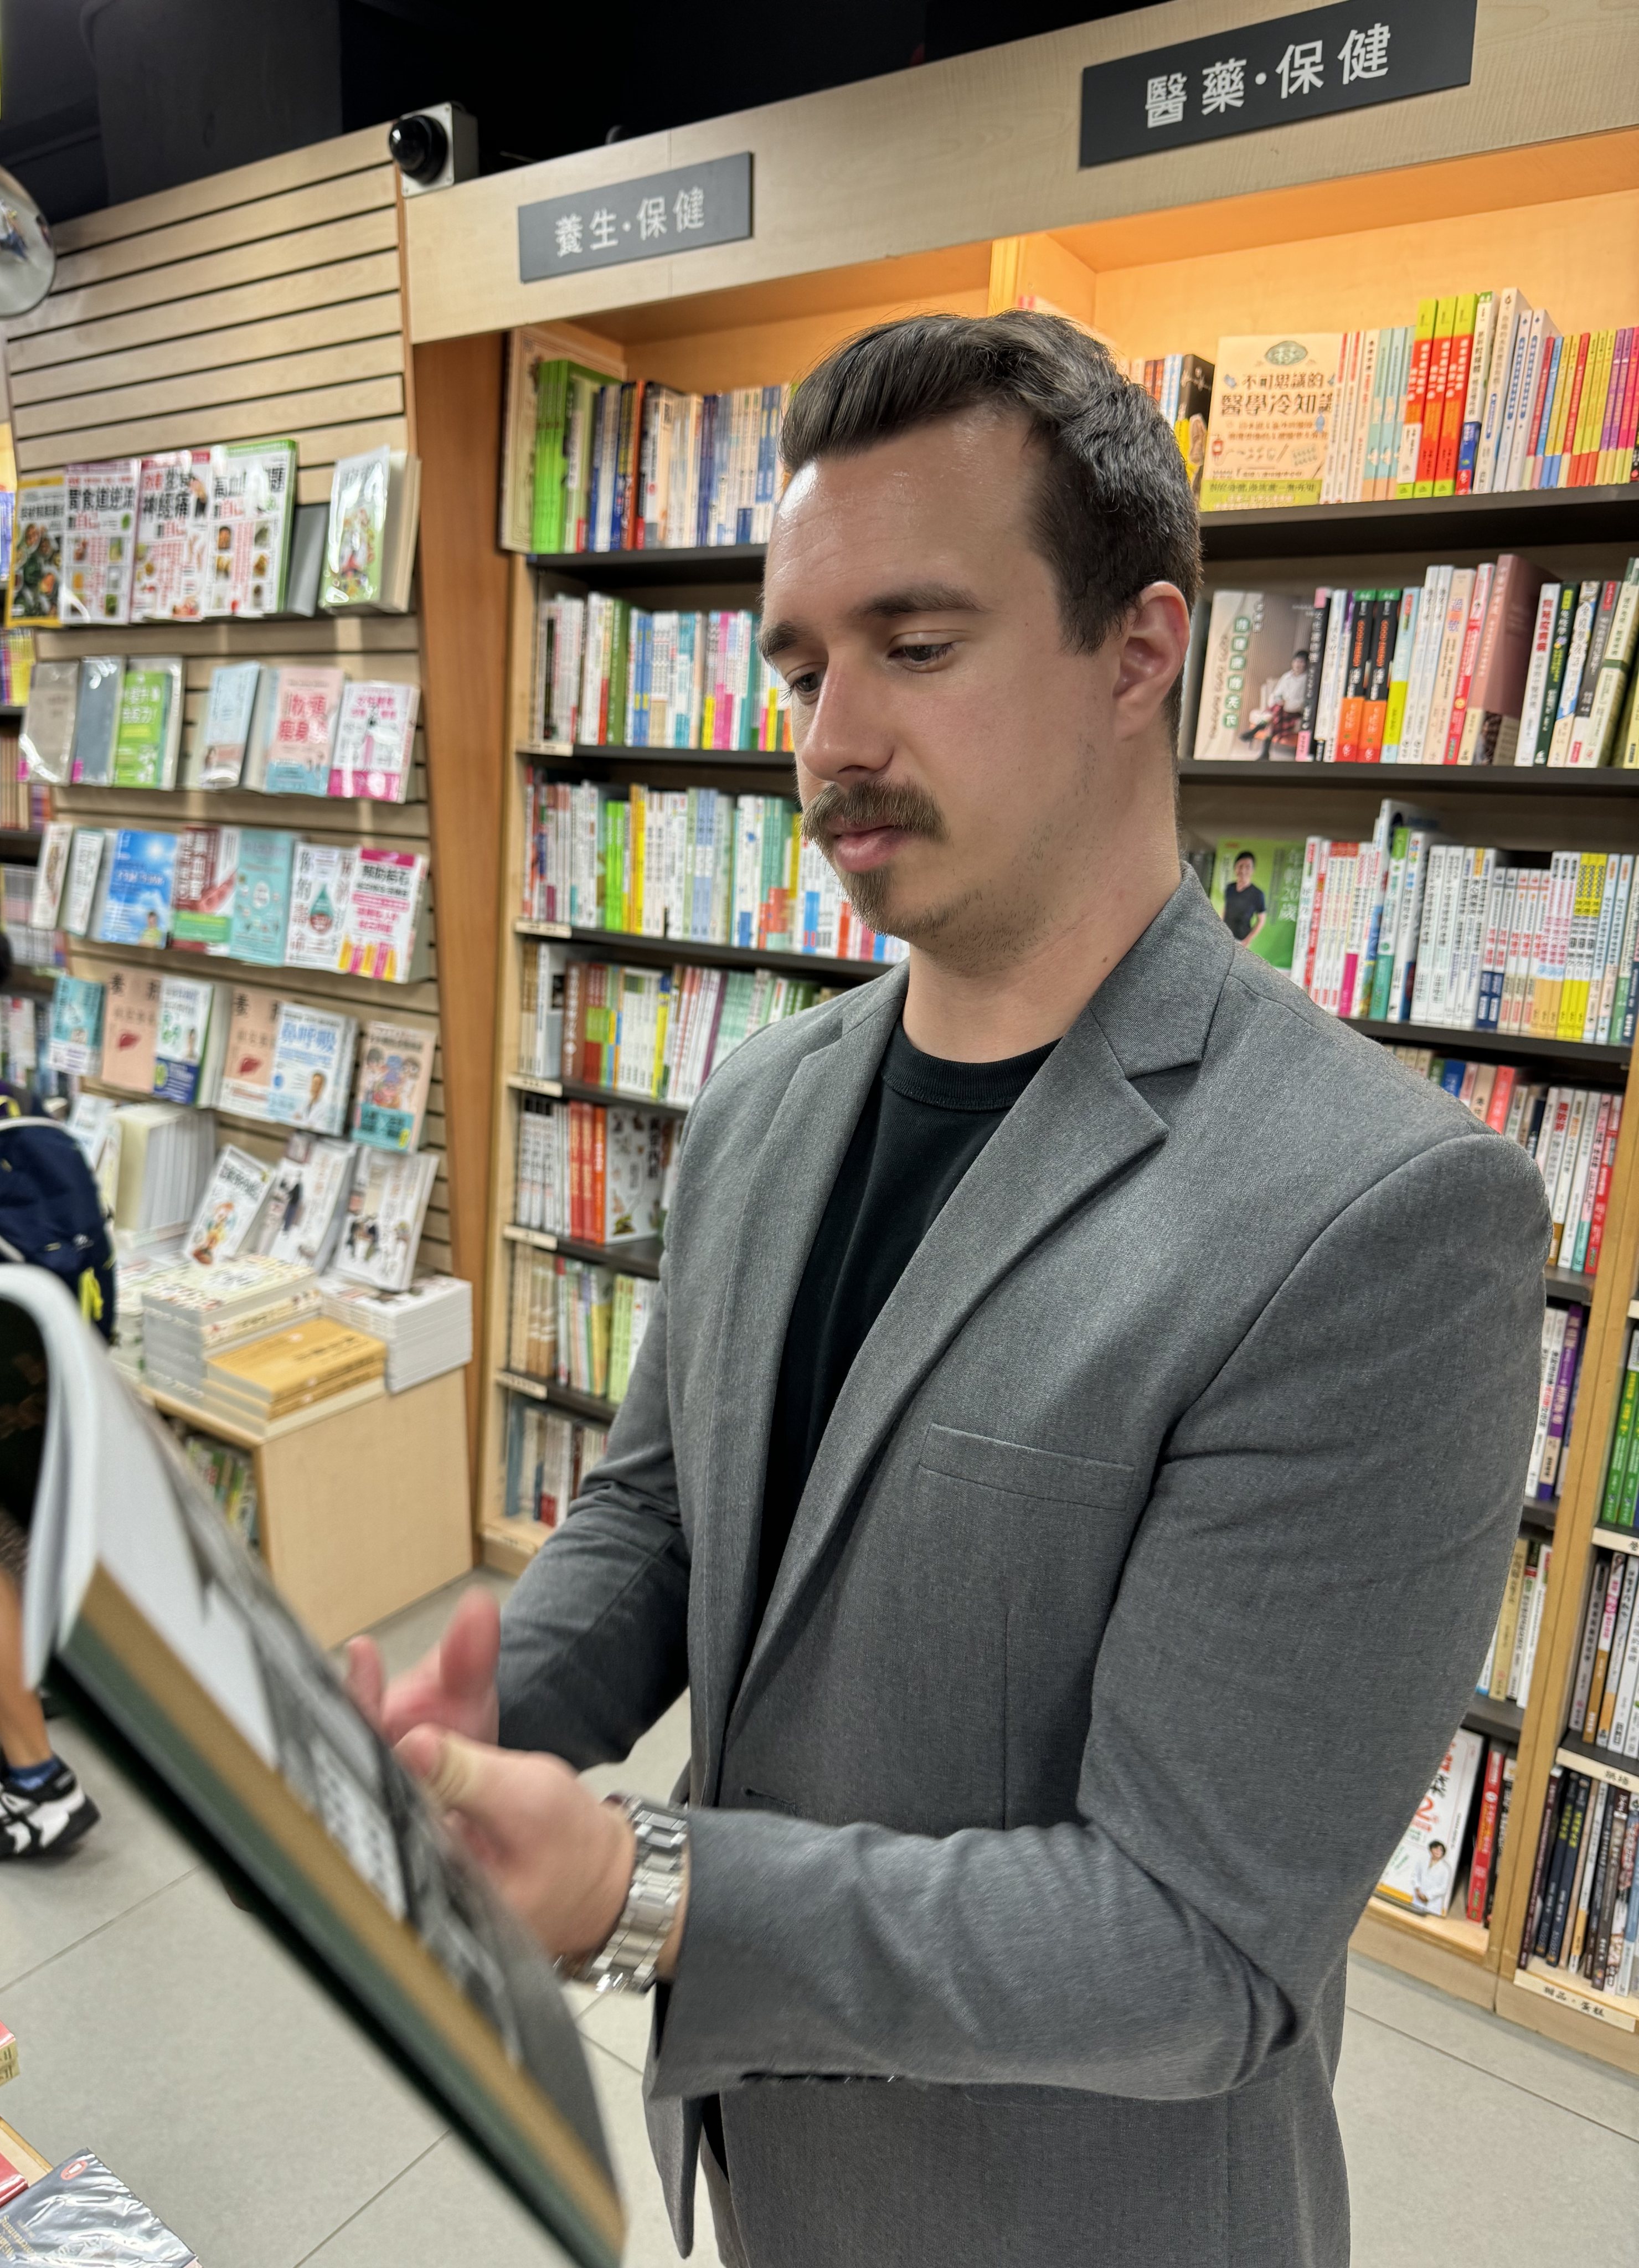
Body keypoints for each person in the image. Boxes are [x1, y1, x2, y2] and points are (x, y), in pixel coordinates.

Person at [350, 312, 1546, 2268]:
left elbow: (1195, 1940)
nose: (829, 741)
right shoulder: (760, 1107)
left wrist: (646, 1890)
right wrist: (474, 1723)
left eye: (914, 646)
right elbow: (663, 1512)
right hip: (771, 2170)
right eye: (800, 669)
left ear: (1138, 652)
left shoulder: (1380, 1216)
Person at [0, 906, 99, 1861]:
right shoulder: (10, 1103)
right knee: (17, 1542)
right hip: (34, 1373)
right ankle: (59, 1686)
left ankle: (35, 1783)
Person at [1220, 847, 1267, 947]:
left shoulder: (1258, 894)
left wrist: (1247, 941)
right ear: (1235, 868)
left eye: (1248, 867)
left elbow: (1262, 920)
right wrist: (1219, 928)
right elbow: (1225, 909)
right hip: (1224, 936)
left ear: (1253, 870)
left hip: (1241, 941)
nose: (1243, 870)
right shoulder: (1230, 888)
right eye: (1240, 866)